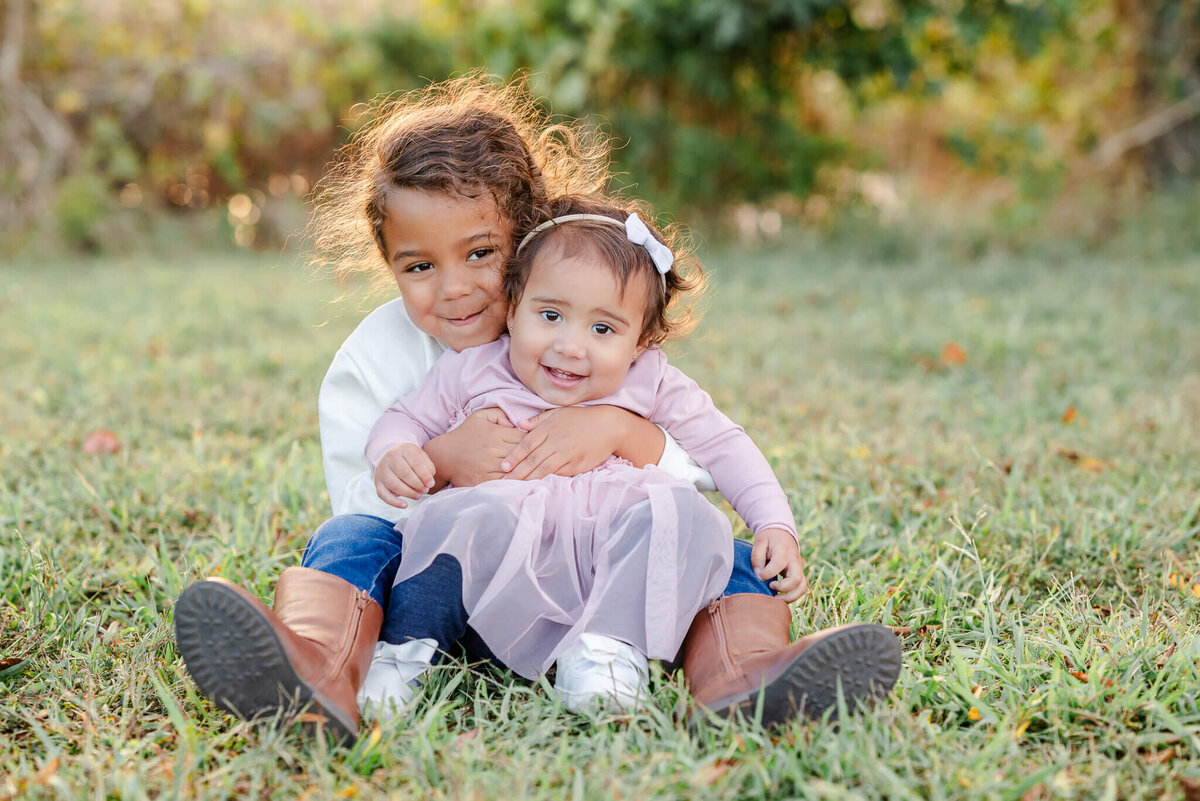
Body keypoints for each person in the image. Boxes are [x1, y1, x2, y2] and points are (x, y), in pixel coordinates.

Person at [172, 74, 899, 743]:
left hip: (593, 580)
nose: (453, 289)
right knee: (348, 539)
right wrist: (441, 460)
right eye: (420, 266)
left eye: (481, 253)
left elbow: (697, 462)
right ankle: (318, 671)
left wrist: (616, 429)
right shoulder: (376, 360)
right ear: (388, 260)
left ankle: (742, 675)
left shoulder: (583, 329)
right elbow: (365, 502)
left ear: (526, 238)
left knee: (726, 557)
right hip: (437, 593)